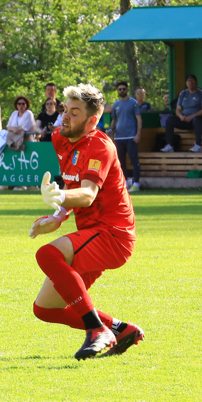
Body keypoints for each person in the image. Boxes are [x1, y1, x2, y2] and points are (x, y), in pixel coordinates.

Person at [28, 83, 143, 360]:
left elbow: (88, 194)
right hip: (93, 234)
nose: (65, 116)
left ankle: (96, 330)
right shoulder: (60, 137)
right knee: (45, 309)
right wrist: (59, 215)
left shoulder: (100, 145)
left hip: (112, 235)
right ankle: (119, 329)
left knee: (47, 254)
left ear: (92, 121)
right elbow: (71, 181)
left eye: (75, 113)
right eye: (66, 110)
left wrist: (60, 195)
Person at [109, 81, 142, 191]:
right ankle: (126, 182)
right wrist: (110, 129)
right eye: (120, 89)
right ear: (117, 91)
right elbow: (114, 119)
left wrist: (138, 134)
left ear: (127, 90)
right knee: (121, 161)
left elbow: (139, 119)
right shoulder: (116, 104)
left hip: (131, 136)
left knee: (134, 160)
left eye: (124, 89)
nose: (122, 91)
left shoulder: (133, 102)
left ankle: (136, 184)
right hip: (118, 137)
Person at [163, 74, 202, 152]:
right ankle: (170, 145)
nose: (190, 82)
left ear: (196, 82)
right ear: (186, 83)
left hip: (201, 120)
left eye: (192, 80)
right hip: (186, 120)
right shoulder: (183, 93)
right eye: (188, 81)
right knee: (170, 120)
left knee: (196, 119)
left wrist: (192, 116)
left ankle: (198, 146)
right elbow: (178, 109)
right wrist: (181, 116)